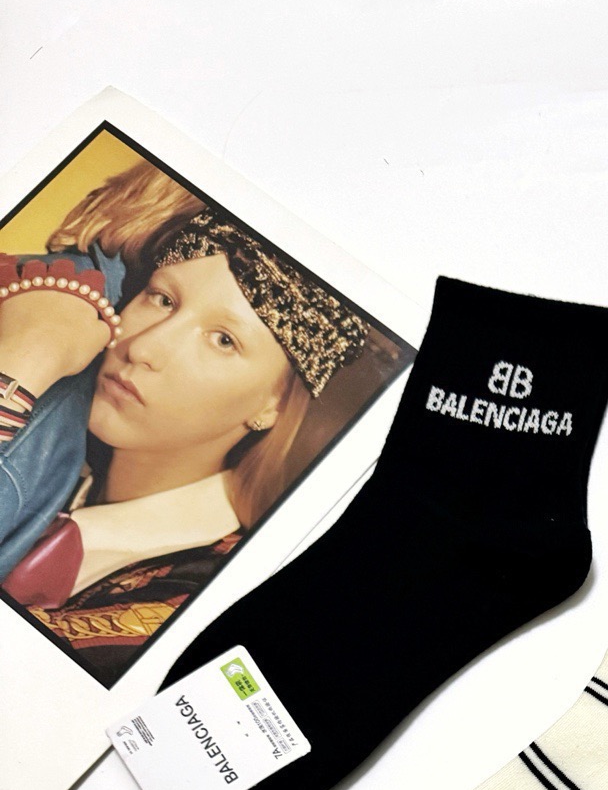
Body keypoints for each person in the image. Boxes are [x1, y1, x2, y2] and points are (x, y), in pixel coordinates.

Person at [1, 196, 368, 685]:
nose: (144, 347)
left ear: (273, 407)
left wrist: (15, 376)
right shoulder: (53, 444)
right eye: (162, 299)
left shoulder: (201, 595)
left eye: (223, 340)